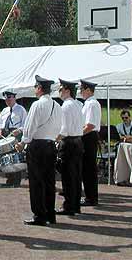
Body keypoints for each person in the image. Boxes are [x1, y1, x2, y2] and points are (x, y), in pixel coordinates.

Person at [15, 75, 62, 226]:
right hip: (50, 145)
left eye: (36, 87)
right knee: (49, 181)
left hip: (37, 146)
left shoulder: (37, 105)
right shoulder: (57, 106)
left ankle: (39, 215)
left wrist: (23, 142)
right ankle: (50, 213)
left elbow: (29, 127)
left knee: (36, 182)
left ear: (40, 88)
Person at [56, 79, 84, 216]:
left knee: (68, 177)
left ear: (67, 90)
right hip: (78, 141)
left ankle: (69, 206)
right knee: (76, 176)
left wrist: (54, 139)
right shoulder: (78, 105)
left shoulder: (66, 106)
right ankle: (75, 205)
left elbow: (64, 130)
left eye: (60, 89)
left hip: (69, 143)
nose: (59, 92)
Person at [0, 90, 28, 187]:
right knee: (5, 157)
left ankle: (16, 181)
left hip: (15, 134)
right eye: (6, 99)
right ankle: (9, 180)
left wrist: (19, 130)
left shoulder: (21, 109)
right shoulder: (4, 110)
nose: (8, 101)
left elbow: (25, 124)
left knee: (15, 157)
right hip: (5, 134)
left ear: (14, 98)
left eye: (9, 98)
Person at [80, 79, 101, 207]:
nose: (80, 92)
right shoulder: (88, 103)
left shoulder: (92, 104)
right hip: (88, 136)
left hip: (89, 136)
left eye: (82, 90)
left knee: (89, 169)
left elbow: (90, 125)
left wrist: (77, 134)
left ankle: (91, 198)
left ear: (88, 90)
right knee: (87, 169)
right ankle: (89, 196)